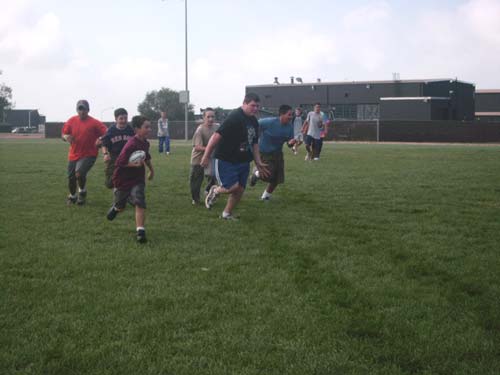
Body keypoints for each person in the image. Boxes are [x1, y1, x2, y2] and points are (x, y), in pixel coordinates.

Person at [200, 92, 269, 220]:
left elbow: (254, 143)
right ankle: (215, 190)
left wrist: (258, 162)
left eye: (257, 106)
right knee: (232, 187)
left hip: (243, 160)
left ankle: (226, 214)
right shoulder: (235, 116)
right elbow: (216, 136)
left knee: (240, 189)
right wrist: (206, 156)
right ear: (244, 103)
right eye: (253, 105)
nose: (255, 109)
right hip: (226, 158)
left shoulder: (254, 121)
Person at [106, 115, 154, 243]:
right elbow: (119, 162)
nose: (149, 129)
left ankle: (140, 231)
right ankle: (116, 208)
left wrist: (151, 170)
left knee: (139, 201)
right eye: (146, 127)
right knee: (121, 205)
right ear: (137, 129)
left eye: (150, 127)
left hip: (138, 178)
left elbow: (146, 157)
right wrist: (134, 164)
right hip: (123, 178)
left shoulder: (146, 143)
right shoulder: (131, 143)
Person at [62, 99, 107, 205]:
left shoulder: (94, 122)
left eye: (84, 109)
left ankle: (82, 192)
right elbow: (63, 134)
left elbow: (106, 132)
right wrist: (65, 136)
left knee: (79, 173)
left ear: (88, 110)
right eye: (80, 109)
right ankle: (73, 196)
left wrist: (100, 139)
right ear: (77, 110)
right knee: (71, 177)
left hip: (89, 154)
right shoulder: (72, 120)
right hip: (74, 154)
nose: (82, 111)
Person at [249, 104, 295, 200]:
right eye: (289, 115)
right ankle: (256, 174)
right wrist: (255, 138)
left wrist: (291, 143)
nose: (291, 117)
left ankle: (265, 196)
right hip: (264, 153)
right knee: (267, 175)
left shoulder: (290, 127)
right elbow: (255, 125)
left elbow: (289, 143)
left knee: (277, 178)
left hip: (277, 154)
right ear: (281, 114)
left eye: (291, 115)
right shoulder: (268, 122)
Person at [189, 108, 219, 205]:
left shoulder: (217, 127)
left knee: (214, 176)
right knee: (196, 181)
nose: (210, 119)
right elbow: (197, 147)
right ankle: (195, 199)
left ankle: (209, 192)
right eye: (208, 117)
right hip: (198, 159)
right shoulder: (200, 130)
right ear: (203, 118)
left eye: (212, 116)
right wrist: (210, 148)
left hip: (211, 157)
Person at [99, 108, 135, 189]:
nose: (123, 120)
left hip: (127, 157)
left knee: (128, 179)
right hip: (114, 157)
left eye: (125, 118)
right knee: (109, 184)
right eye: (121, 118)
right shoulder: (111, 130)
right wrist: (105, 154)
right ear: (116, 119)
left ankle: (123, 193)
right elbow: (104, 143)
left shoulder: (130, 130)